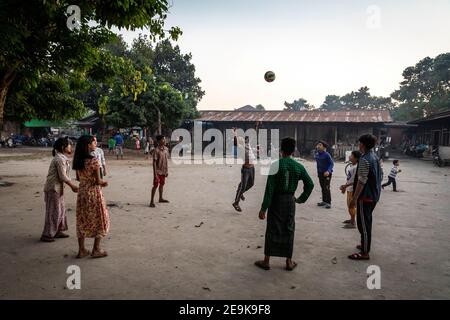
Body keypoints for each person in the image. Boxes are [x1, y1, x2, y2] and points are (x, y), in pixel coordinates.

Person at [255, 137, 314, 271]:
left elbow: (269, 189)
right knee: (289, 228)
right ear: (293, 151)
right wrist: (300, 199)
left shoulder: (276, 165)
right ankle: (288, 261)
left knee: (272, 228)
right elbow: (310, 184)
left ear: (281, 150)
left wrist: (264, 208)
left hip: (276, 201)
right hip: (290, 201)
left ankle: (266, 261)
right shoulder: (299, 166)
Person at [73, 135, 110, 259]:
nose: (95, 144)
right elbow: (98, 181)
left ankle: (81, 250)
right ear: (88, 145)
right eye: (93, 142)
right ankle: (96, 249)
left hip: (82, 192)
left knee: (82, 220)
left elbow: (78, 178)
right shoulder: (94, 160)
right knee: (99, 218)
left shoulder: (78, 161)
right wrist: (104, 183)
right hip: (94, 193)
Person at [348, 134, 382, 261]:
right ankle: (364, 244)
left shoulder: (365, 159)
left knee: (363, 225)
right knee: (366, 221)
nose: (358, 145)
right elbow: (380, 175)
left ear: (362, 144)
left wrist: (354, 198)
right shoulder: (374, 157)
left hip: (366, 197)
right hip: (374, 195)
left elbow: (362, 181)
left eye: (359, 143)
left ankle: (364, 252)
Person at [40, 137, 79, 242]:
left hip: (58, 189)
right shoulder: (59, 159)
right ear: (63, 147)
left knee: (60, 210)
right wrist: (73, 186)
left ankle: (57, 231)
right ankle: (47, 234)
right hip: (53, 188)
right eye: (69, 145)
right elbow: (62, 176)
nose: (71, 146)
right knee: (53, 211)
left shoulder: (62, 158)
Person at [232, 136, 256, 212]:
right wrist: (235, 134)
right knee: (243, 186)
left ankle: (240, 192)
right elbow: (236, 142)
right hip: (246, 169)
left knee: (251, 184)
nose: (242, 138)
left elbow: (253, 132)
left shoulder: (247, 144)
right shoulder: (240, 147)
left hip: (252, 168)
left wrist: (257, 124)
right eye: (240, 138)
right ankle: (236, 203)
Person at [340, 150, 361, 229]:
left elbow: (356, 181)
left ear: (356, 158)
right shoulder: (352, 165)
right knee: (349, 205)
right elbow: (349, 178)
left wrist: (345, 186)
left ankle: (353, 223)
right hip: (349, 188)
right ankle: (352, 219)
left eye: (351, 156)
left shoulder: (356, 167)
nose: (349, 157)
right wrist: (345, 186)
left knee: (351, 206)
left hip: (352, 189)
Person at [150, 135, 169, 208]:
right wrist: (155, 174)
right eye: (163, 139)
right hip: (157, 171)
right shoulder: (156, 150)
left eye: (164, 139)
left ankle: (160, 198)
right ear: (159, 141)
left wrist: (167, 171)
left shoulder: (166, 149)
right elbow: (154, 162)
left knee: (162, 184)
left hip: (163, 171)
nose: (164, 141)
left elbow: (166, 161)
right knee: (155, 185)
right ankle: (151, 201)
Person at [314, 140, 334, 209]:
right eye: (318, 145)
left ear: (324, 147)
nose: (318, 146)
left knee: (326, 187)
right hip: (320, 174)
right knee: (322, 187)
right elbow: (318, 165)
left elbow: (331, 164)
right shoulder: (317, 154)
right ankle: (324, 201)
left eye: (320, 145)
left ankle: (329, 202)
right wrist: (318, 173)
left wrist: (328, 171)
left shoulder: (327, 154)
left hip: (327, 174)